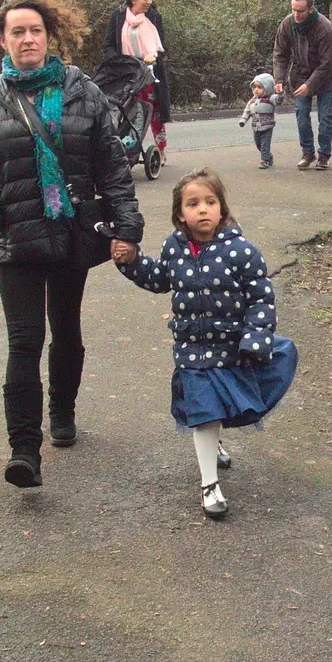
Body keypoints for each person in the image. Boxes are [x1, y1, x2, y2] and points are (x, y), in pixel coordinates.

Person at [0, 0, 143, 490]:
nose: (28, 39)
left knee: (67, 329)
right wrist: (1, 213)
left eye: (35, 30)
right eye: (18, 32)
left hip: (71, 234)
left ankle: (62, 411)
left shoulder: (82, 92)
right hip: (16, 242)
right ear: (2, 41)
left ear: (48, 35)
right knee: (24, 340)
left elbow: (112, 163)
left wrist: (128, 224)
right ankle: (23, 451)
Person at [110, 168, 298, 519]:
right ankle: (209, 485)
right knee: (203, 412)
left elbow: (261, 297)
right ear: (180, 214)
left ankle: (214, 445)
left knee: (219, 407)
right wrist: (132, 260)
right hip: (192, 351)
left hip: (230, 348)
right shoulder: (174, 248)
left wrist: (255, 337)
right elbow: (158, 278)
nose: (202, 210)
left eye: (210, 202)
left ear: (222, 210)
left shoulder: (242, 251)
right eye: (193, 203)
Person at [104, 0, 171, 163]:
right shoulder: (119, 16)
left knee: (153, 111)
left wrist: (153, 57)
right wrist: (116, 60)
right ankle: (127, 147)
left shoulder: (154, 17)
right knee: (127, 110)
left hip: (148, 71)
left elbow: (160, 45)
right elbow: (109, 43)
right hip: (125, 71)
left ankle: (160, 149)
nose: (149, 2)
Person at [272, 0, 332, 171]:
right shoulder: (287, 24)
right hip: (300, 75)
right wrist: (279, 78)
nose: (296, 14)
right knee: (302, 114)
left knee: (324, 116)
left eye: (300, 11)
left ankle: (324, 155)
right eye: (293, 9)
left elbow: (328, 62)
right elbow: (280, 54)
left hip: (325, 76)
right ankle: (307, 153)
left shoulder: (324, 27)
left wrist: (310, 85)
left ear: (310, 9)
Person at [238, 71, 281, 169]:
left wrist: (280, 93)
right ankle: (268, 157)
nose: (256, 90)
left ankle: (265, 161)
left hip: (267, 126)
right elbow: (247, 111)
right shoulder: (252, 101)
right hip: (256, 127)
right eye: (254, 87)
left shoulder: (270, 98)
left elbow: (278, 100)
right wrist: (243, 120)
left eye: (260, 87)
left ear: (267, 88)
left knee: (265, 144)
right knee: (258, 144)